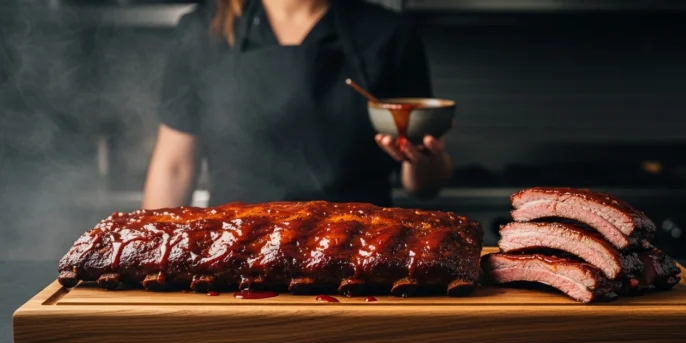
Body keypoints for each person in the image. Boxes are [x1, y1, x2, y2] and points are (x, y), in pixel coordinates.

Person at [141, 0, 453, 210]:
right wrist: (147, 262)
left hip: (355, 255)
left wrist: (424, 157)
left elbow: (422, 186)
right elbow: (174, 167)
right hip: (234, 256)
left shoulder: (388, 33)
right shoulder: (202, 31)